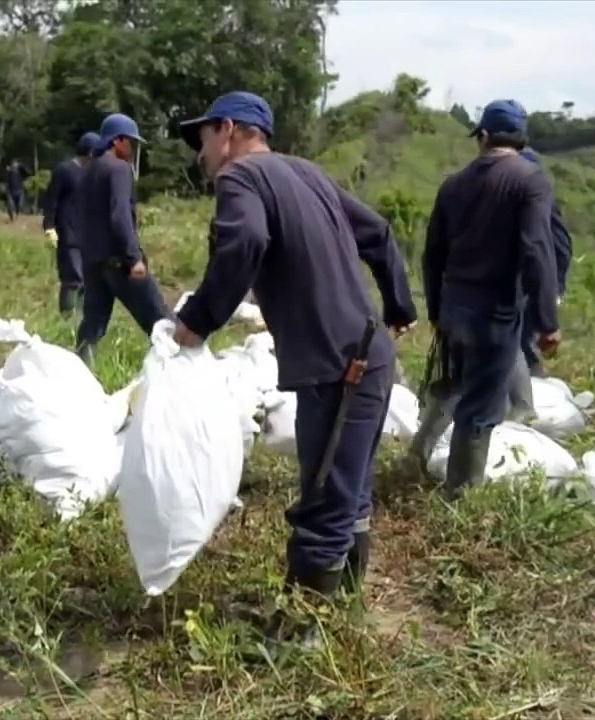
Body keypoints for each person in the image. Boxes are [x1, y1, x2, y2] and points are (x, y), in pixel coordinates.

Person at [173, 92, 418, 638]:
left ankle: (298, 639)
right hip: (366, 353)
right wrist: (399, 306)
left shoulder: (241, 179)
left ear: (230, 130)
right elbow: (376, 231)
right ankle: (340, 618)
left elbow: (247, 241)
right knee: (348, 492)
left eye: (204, 137)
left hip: (340, 367)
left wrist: (200, 318)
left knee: (326, 499)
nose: (201, 153)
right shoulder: (307, 174)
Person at [411, 99, 562, 499]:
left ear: (482, 136)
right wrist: (547, 320)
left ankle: (416, 458)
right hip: (494, 313)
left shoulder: (454, 183)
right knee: (481, 408)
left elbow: (432, 255)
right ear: (521, 138)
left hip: (453, 307)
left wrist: (436, 310)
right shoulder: (529, 180)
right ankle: (461, 495)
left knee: (453, 389)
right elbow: (536, 250)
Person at [73, 113, 171, 366]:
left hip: (93, 261)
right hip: (119, 261)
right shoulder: (118, 169)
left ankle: (80, 375)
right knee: (161, 324)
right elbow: (120, 216)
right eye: (130, 142)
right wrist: (133, 257)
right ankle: (178, 375)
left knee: (92, 326)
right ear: (117, 141)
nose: (132, 148)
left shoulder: (86, 172)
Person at [518, 146, 573, 378]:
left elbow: (561, 249)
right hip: (516, 288)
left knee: (524, 347)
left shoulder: (541, 203)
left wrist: (553, 291)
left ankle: (528, 400)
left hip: (534, 289)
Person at [42, 131, 100, 314]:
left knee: (88, 282)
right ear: (90, 152)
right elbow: (51, 200)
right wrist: (49, 226)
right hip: (68, 234)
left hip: (89, 235)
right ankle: (66, 319)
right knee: (73, 279)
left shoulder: (94, 173)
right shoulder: (65, 171)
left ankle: (82, 321)